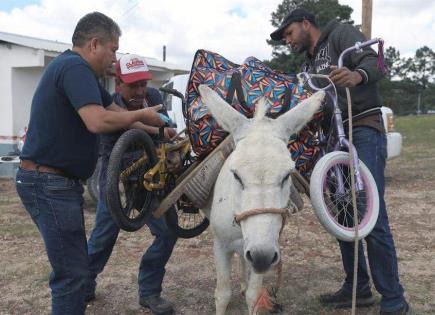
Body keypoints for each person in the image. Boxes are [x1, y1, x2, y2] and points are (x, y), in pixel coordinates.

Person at [15, 12, 165, 315]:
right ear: (95, 44)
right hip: (49, 182)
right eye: (113, 48)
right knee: (72, 276)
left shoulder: (82, 73)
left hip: (56, 183)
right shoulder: (74, 67)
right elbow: (98, 121)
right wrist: (141, 115)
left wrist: (159, 128)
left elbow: (113, 112)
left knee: (76, 270)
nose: (115, 57)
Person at [270, 8, 411, 315]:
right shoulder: (307, 63)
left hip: (362, 126)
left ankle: (394, 299)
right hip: (332, 136)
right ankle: (357, 288)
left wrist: (357, 75)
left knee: (368, 211)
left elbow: (372, 60)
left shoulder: (340, 34)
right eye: (284, 38)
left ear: (306, 23)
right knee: (343, 216)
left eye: (290, 33)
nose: (288, 41)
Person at [85, 54, 177, 315]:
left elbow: (166, 132)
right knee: (103, 237)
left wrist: (167, 145)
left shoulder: (154, 98)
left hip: (151, 180)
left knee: (168, 232)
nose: (139, 91)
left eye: (143, 84)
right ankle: (84, 283)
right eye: (132, 86)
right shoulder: (107, 105)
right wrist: (152, 129)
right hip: (117, 181)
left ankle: (149, 292)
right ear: (118, 85)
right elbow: (118, 150)